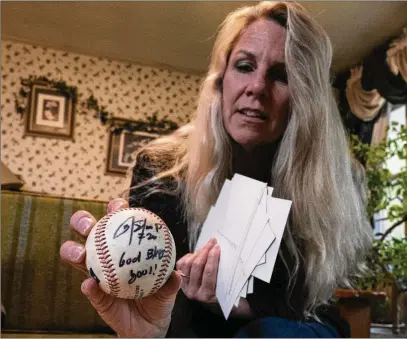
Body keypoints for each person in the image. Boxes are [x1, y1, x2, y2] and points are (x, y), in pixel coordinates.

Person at [60, 1, 373, 337]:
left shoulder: (333, 180)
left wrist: (234, 303)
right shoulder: (163, 170)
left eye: (281, 75)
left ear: (305, 98)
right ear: (221, 81)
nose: (257, 87)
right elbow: (151, 303)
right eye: (244, 66)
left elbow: (310, 301)